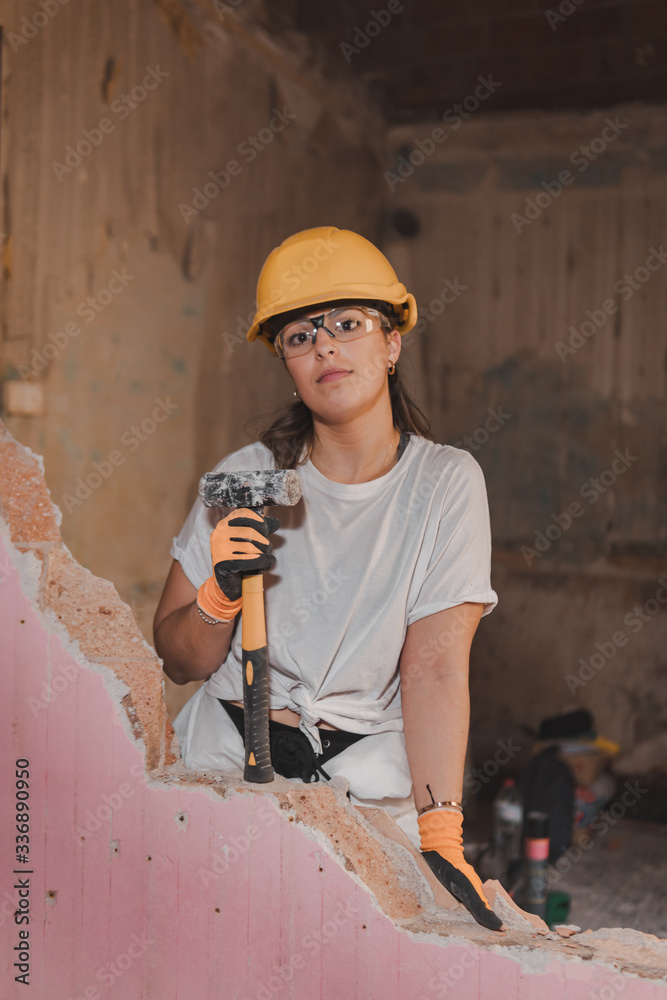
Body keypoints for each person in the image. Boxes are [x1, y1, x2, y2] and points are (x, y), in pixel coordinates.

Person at [153, 226, 503, 931]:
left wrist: (439, 835)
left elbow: (434, 668)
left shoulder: (443, 483)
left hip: (362, 790)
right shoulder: (247, 475)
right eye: (299, 335)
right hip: (227, 759)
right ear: (284, 360)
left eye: (347, 324)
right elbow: (179, 658)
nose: (325, 348)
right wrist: (220, 593)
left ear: (391, 341)